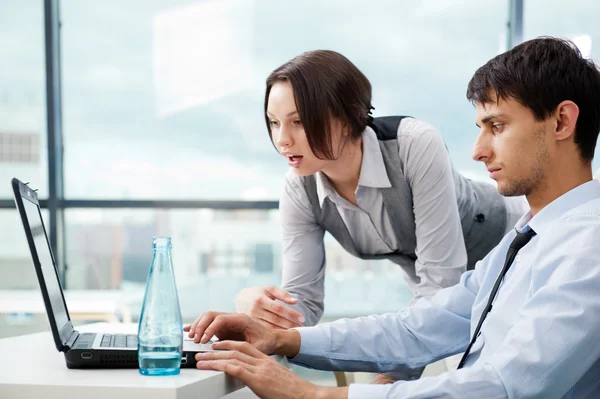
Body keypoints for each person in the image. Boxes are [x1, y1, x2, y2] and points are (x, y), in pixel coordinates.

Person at [186, 37, 600, 398]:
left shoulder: (587, 245)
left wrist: (322, 396)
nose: (476, 151)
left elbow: (507, 385)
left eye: (497, 126)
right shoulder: (525, 243)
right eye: (275, 124)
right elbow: (419, 328)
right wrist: (282, 336)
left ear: (562, 121)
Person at [235, 49, 526, 335]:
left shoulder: (414, 145)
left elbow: (441, 279)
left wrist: (393, 374)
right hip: (448, 299)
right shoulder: (299, 188)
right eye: (274, 122)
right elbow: (302, 305)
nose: (282, 139)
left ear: (348, 117)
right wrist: (252, 311)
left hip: (514, 255)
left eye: (298, 122)